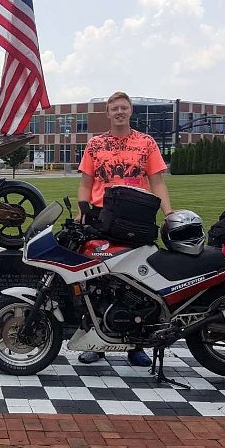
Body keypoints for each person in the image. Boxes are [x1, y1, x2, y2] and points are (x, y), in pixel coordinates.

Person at [76, 91, 173, 367]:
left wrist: (168, 213)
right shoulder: (95, 144)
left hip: (137, 218)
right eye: (114, 108)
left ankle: (136, 345)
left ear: (130, 112)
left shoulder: (146, 143)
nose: (119, 112)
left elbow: (157, 182)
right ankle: (98, 341)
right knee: (96, 281)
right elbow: (85, 183)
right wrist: (82, 212)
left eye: (124, 108)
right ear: (107, 113)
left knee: (139, 281)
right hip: (100, 217)